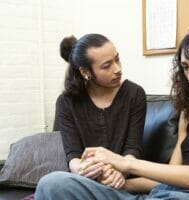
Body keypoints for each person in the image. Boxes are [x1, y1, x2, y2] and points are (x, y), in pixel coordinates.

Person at [35, 24, 189, 200]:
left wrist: (125, 165)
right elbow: (170, 175)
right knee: (53, 184)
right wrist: (114, 184)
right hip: (163, 195)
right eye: (185, 67)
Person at [38, 33, 147, 192]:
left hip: (123, 183)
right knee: (49, 183)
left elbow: (132, 148)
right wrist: (84, 170)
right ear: (85, 72)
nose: (117, 69)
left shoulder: (134, 94)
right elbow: (73, 156)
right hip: (85, 182)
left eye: (117, 59)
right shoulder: (67, 102)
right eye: (106, 65)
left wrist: (119, 171)